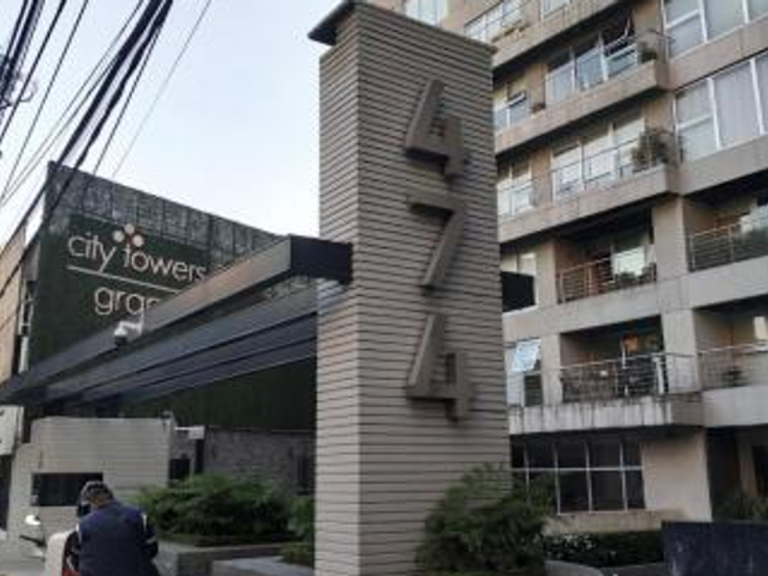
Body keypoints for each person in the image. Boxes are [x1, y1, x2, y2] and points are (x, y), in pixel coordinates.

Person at [70, 481, 159, 576]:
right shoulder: (140, 516)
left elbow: (75, 561)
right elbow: (153, 550)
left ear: (89, 504)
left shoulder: (82, 526)